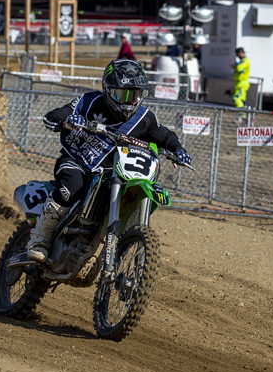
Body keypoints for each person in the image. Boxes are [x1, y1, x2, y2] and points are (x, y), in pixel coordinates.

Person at [27, 58, 191, 262]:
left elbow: (165, 135)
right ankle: (40, 238)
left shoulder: (144, 118)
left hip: (110, 173)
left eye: (136, 95)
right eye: (123, 95)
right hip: (77, 161)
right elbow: (55, 114)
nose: (130, 102)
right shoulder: (89, 102)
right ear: (108, 90)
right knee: (71, 188)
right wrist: (68, 120)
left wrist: (178, 150)